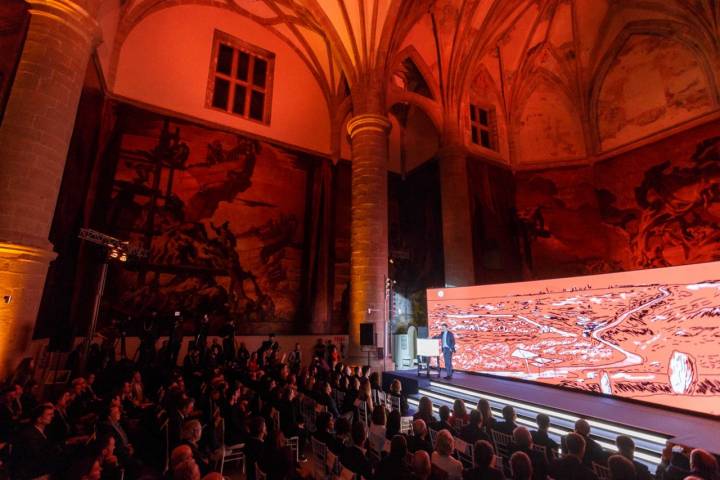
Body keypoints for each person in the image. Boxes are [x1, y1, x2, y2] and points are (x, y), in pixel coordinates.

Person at [11, 404, 61, 479]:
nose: (53, 416)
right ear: (39, 419)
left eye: (52, 414)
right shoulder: (30, 435)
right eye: (49, 414)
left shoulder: (44, 430)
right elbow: (37, 457)